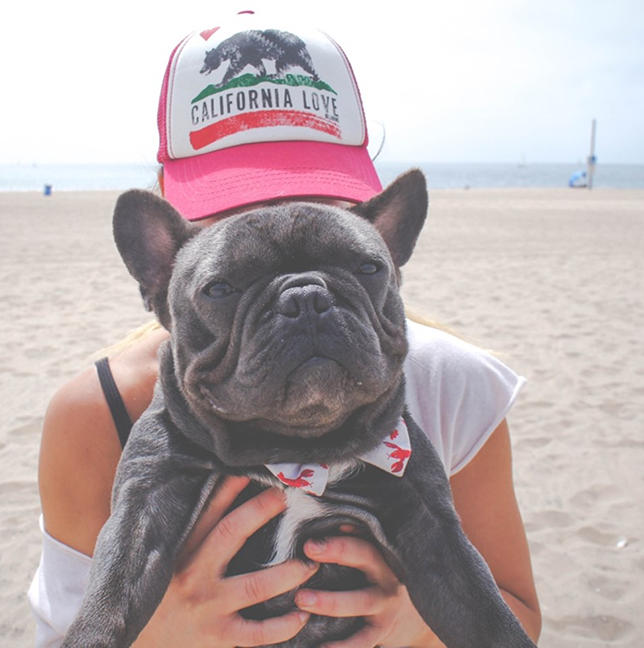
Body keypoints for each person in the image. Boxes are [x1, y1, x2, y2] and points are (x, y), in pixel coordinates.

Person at [28, 11, 542, 647]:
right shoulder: (94, 415)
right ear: (167, 267)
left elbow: (517, 619)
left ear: (379, 238)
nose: (301, 300)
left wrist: (415, 622)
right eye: (231, 235)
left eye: (322, 220)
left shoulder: (452, 386)